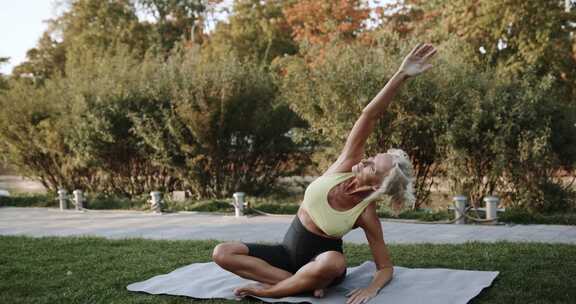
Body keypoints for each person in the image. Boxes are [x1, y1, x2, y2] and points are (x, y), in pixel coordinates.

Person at [211, 43, 437, 304]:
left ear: (378, 186)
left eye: (372, 166)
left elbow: (385, 267)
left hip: (324, 266)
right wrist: (401, 74)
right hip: (287, 255)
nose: (364, 160)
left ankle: (272, 290)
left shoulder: (366, 213)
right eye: (372, 156)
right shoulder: (345, 164)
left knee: (334, 260)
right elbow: (369, 115)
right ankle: (300, 285)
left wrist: (371, 289)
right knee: (222, 253)